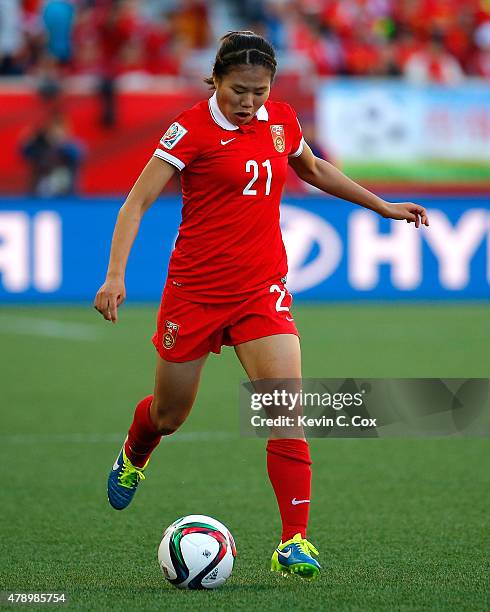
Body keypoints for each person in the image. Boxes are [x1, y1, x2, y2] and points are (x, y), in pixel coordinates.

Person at [94, 31, 429, 581]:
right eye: (238, 91)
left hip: (260, 290)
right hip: (195, 293)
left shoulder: (281, 121)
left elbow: (315, 169)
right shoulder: (189, 130)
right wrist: (114, 275)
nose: (249, 102)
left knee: (283, 411)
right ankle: (135, 451)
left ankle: (293, 541)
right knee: (169, 414)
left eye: (259, 90)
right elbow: (137, 203)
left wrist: (383, 206)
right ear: (216, 80)